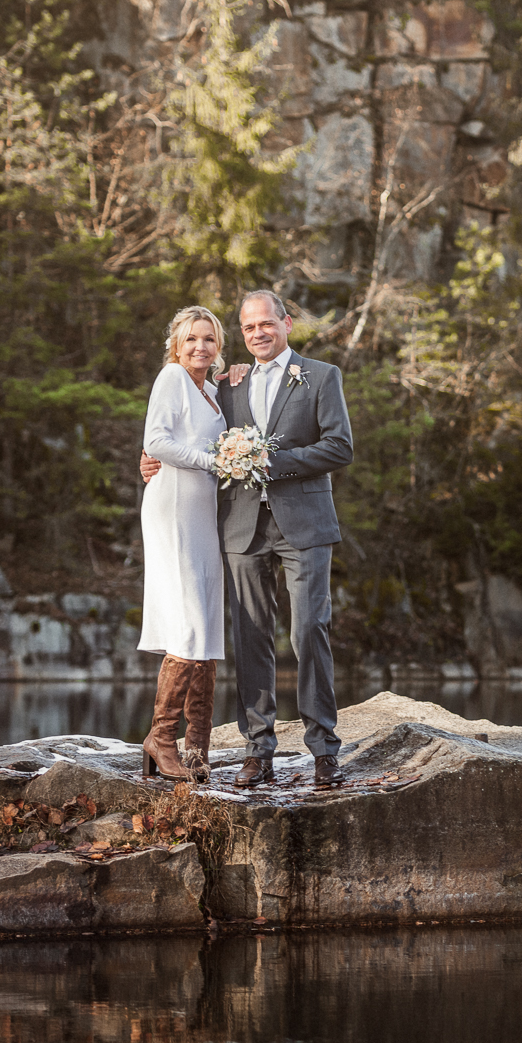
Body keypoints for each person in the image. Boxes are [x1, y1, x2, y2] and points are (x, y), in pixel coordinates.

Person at [140, 289, 353, 789]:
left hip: (303, 523)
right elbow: (176, 432)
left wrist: (271, 462)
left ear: (287, 324)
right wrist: (147, 459)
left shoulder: (321, 376)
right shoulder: (226, 385)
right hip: (238, 526)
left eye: (267, 324)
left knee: (309, 631)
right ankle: (258, 750)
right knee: (250, 639)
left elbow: (339, 446)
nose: (258, 333)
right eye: (249, 327)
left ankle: (324, 748)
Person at [136, 305, 228, 782]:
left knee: (208, 627)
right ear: (177, 343)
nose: (199, 347)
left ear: (218, 347)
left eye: (209, 339)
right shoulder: (171, 378)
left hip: (206, 514)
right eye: (191, 338)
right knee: (189, 623)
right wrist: (212, 461)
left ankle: (198, 749)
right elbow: (157, 440)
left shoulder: (213, 391)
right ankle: (161, 737)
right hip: (173, 507)